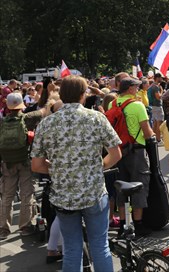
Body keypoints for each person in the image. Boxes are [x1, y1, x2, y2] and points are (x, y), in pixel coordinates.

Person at [31, 76, 122, 272]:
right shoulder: (96, 118)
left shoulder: (46, 124)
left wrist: (59, 169)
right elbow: (116, 154)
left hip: (64, 195)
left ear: (61, 95)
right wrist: (97, 168)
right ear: (83, 95)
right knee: (100, 246)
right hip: (94, 192)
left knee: (72, 249)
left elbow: (37, 165)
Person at [0, 93, 49, 240]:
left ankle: (3, 228)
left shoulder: (2, 122)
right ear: (22, 105)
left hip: (7, 163)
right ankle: (25, 226)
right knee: (26, 194)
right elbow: (44, 110)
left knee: (7, 196)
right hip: (25, 161)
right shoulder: (28, 118)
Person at [111, 77, 155, 236]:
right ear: (130, 89)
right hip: (136, 150)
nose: (138, 89)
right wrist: (152, 134)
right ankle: (138, 224)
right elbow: (147, 132)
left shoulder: (112, 103)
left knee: (121, 186)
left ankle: (123, 224)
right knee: (139, 185)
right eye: (136, 87)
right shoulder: (137, 105)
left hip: (118, 151)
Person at [147, 73, 165, 142]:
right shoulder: (155, 87)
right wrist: (162, 91)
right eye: (161, 77)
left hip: (153, 106)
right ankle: (158, 139)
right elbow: (158, 97)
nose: (162, 79)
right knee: (159, 122)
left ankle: (154, 138)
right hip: (157, 106)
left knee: (155, 123)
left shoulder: (152, 86)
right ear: (157, 78)